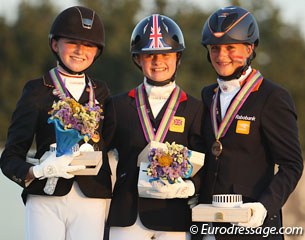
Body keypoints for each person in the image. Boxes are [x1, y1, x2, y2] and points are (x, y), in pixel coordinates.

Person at [0, 6, 112, 240]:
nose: (81, 51)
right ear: (55, 44)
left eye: (89, 45)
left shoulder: (101, 91)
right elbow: (10, 157)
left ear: (97, 51)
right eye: (73, 42)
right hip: (45, 198)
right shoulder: (37, 90)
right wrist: (37, 171)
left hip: (91, 198)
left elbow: (112, 141)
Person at [194, 6, 303, 240]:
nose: (222, 56)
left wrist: (263, 206)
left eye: (230, 48)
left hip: (251, 225)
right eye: (215, 48)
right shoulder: (207, 95)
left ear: (249, 48)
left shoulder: (272, 97)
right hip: (207, 226)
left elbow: (292, 165)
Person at [102, 14, 204, 240]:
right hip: (128, 217)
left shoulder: (195, 109)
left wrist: (190, 186)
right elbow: (99, 155)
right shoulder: (118, 105)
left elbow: (204, 164)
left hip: (175, 217)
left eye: (166, 54)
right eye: (150, 55)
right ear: (138, 59)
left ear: (178, 57)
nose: (158, 61)